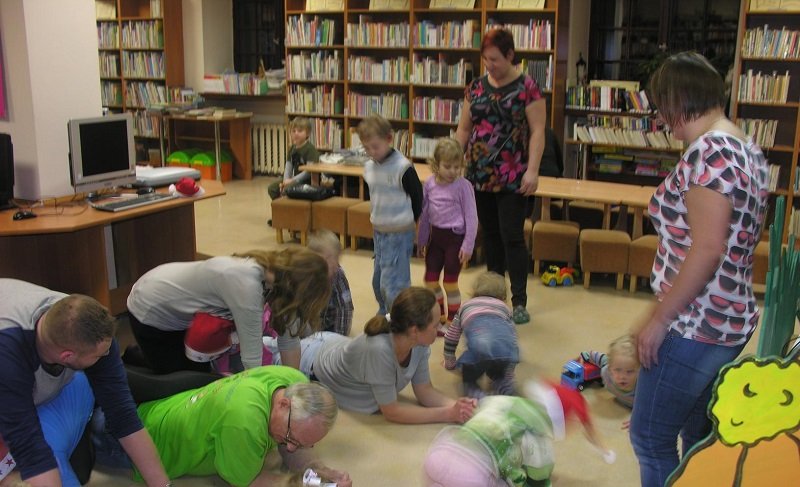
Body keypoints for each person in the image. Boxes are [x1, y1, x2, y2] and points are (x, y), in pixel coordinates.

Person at [631, 52, 769, 487]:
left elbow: (708, 249)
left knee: (650, 436)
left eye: (659, 106)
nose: (659, 118)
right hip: (728, 317)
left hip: (695, 324)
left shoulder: (708, 152)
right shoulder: (744, 145)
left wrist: (660, 318)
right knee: (696, 435)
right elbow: (746, 233)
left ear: (675, 102)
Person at [0, 278, 169, 487]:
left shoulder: (83, 326)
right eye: (99, 355)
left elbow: (124, 416)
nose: (108, 355)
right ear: (67, 355)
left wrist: (163, 485)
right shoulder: (9, 359)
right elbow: (30, 450)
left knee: (73, 472)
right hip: (12, 387)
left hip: (50, 387)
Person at [95, 366, 351, 487]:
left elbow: (295, 446)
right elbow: (250, 481)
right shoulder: (243, 424)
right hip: (130, 444)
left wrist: (319, 471)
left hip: (160, 409)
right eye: (289, 436)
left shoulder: (292, 380)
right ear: (284, 404)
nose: (291, 449)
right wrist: (302, 484)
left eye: (304, 443)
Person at [269, 287, 477, 425]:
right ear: (415, 330)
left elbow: (424, 391)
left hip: (332, 343)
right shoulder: (379, 350)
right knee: (264, 354)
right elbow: (392, 412)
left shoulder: (418, 342)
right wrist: (448, 414)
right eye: (435, 325)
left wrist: (459, 407)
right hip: (309, 362)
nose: (439, 328)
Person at [455, 27, 547, 325]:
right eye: (485, 60)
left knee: (512, 237)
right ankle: (494, 297)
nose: (489, 66)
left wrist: (532, 170)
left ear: (510, 55)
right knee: (491, 236)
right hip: (479, 174)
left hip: (514, 174)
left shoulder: (527, 87)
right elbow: (465, 129)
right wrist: (453, 161)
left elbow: (537, 133)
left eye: (494, 59)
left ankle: (519, 300)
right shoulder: (476, 87)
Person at [126, 248, 330, 374]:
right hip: (150, 307)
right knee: (181, 386)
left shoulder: (277, 276)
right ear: (296, 287)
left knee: (197, 375)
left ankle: (148, 357)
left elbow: (289, 341)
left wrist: (291, 390)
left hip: (177, 306)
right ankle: (133, 360)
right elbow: (253, 363)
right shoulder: (247, 284)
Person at [422, 381, 615, 487]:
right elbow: (539, 475)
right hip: (472, 475)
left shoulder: (498, 400)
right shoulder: (538, 433)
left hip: (439, 452)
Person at [357, 114, 423, 315]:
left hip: (399, 232)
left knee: (394, 282)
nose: (371, 152)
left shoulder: (403, 167)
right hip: (379, 232)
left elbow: (418, 198)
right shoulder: (369, 166)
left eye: (375, 147)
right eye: (366, 148)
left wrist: (416, 228)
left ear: (389, 138)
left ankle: (398, 317)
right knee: (378, 280)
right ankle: (385, 310)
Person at [417, 138, 478, 329]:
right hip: (436, 238)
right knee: (430, 280)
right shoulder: (429, 184)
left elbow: (472, 217)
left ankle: (453, 321)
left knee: (450, 283)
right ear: (436, 165)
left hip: (455, 240)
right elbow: (425, 214)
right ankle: (439, 315)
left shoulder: (463, 186)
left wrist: (468, 245)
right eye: (447, 166)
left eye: (456, 167)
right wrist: (421, 240)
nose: (453, 171)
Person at [443, 272, 519, 399]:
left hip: (479, 350)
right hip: (504, 351)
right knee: (499, 374)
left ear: (474, 292)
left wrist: (449, 362)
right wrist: (508, 373)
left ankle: (478, 395)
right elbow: (511, 338)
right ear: (503, 297)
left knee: (469, 377)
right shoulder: (505, 308)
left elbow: (451, 337)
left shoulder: (465, 306)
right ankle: (504, 387)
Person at [308, 229, 354, 336]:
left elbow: (344, 308)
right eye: (326, 259)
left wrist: (339, 337)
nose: (332, 263)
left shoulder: (338, 276)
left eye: (335, 258)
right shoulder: (304, 275)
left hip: (328, 326)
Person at [267, 116, 320, 202]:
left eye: (300, 131)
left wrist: (292, 180)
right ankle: (281, 208)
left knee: (288, 189)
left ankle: (289, 209)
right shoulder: (292, 149)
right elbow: (288, 167)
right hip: (292, 179)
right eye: (293, 131)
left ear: (307, 133)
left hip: (306, 181)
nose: (296, 133)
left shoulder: (310, 149)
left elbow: (308, 172)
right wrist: (285, 182)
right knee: (272, 188)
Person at [579, 334, 639, 409]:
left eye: (629, 371)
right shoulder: (607, 371)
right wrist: (586, 355)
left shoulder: (643, 388)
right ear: (610, 368)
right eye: (618, 370)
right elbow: (601, 359)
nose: (622, 376)